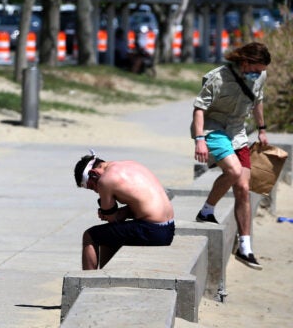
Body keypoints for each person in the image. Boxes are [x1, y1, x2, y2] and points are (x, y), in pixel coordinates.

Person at [191, 41, 271, 270]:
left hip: (238, 132)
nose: (259, 75)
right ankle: (207, 210)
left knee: (243, 188)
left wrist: (262, 128)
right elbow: (199, 109)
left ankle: (245, 247)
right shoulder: (217, 78)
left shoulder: (260, 76)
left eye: (262, 71)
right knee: (234, 172)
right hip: (213, 129)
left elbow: (258, 101)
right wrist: (199, 140)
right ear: (245, 62)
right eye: (256, 70)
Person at [73, 152, 175, 270]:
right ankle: (105, 276)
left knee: (90, 236)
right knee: (108, 235)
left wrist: (109, 214)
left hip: (153, 231)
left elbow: (111, 219)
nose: (96, 191)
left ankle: (88, 281)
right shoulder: (131, 164)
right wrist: (122, 213)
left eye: (92, 186)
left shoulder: (105, 180)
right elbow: (144, 203)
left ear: (93, 173)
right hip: (169, 227)